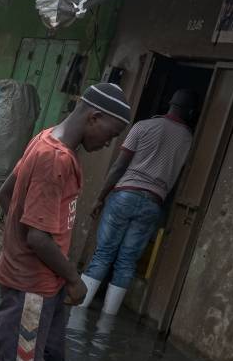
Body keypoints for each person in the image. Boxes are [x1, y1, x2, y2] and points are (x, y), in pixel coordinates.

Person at [0, 83, 132, 361]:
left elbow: (6, 195)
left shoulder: (48, 140)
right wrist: (74, 279)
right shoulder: (55, 158)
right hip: (32, 283)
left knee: (51, 355)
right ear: (94, 117)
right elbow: (38, 237)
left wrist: (17, 238)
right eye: (111, 134)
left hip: (45, 282)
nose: (109, 144)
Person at [78, 89, 201, 315]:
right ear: (190, 112)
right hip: (153, 202)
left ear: (168, 103)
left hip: (125, 194)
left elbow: (119, 166)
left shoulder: (143, 127)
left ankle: (78, 308)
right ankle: (107, 320)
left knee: (104, 253)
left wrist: (100, 197)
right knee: (127, 261)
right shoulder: (188, 139)